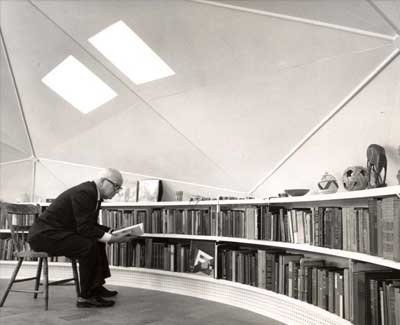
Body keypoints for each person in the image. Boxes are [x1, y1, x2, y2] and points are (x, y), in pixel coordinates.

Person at [28, 168, 131, 308]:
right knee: (87, 246)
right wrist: (112, 239)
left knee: (96, 240)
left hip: (55, 233)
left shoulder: (93, 193)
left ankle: (95, 287)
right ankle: (85, 297)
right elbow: (84, 228)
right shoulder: (85, 192)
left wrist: (114, 232)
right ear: (103, 181)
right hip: (44, 236)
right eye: (116, 186)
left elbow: (90, 225)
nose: (117, 191)